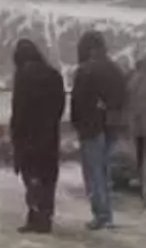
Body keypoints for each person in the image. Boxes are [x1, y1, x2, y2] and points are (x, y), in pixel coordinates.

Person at [70, 30, 127, 230]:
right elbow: (122, 95)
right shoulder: (114, 69)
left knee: (94, 173)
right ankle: (107, 214)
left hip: (90, 128)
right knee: (104, 170)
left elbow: (78, 102)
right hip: (111, 125)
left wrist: (77, 123)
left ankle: (101, 215)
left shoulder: (85, 71)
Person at [10, 39, 66, 234]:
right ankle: (46, 217)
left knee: (32, 176)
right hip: (49, 135)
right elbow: (60, 105)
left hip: (28, 136)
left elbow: (18, 110)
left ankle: (34, 216)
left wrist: (16, 136)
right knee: (48, 178)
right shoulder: (54, 75)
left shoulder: (22, 77)